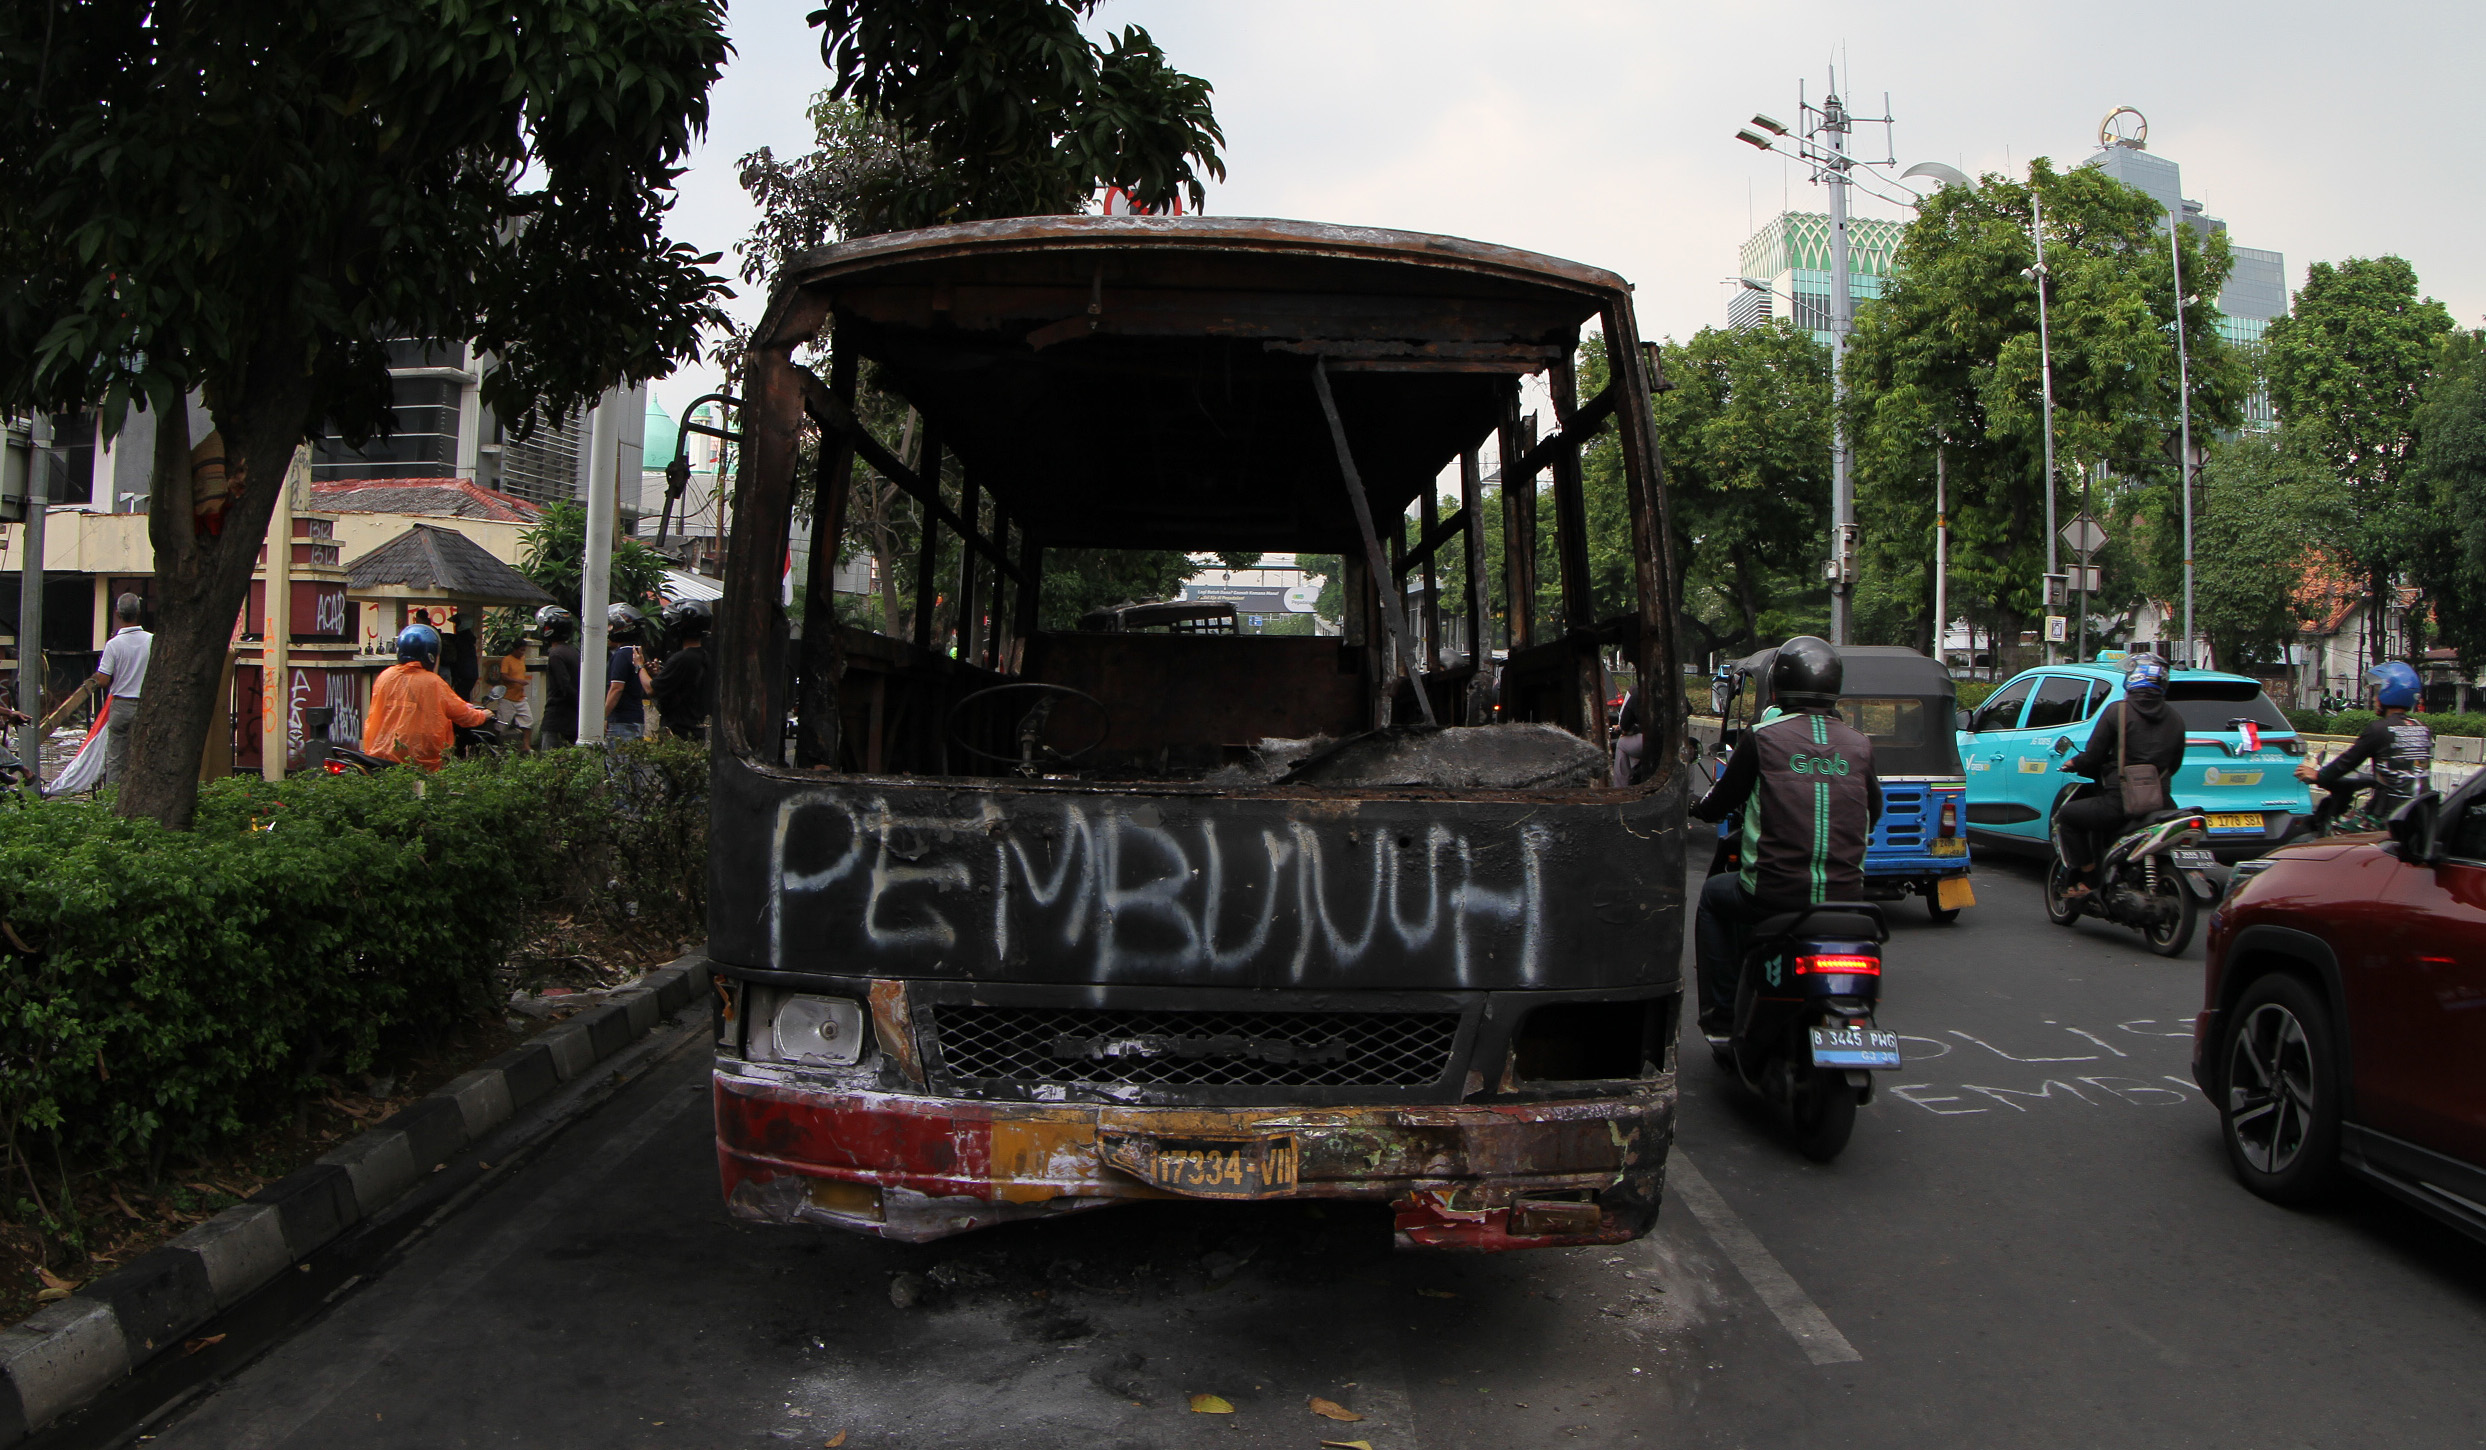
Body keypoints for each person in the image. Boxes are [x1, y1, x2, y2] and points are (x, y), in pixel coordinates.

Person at [1688, 637, 1882, 1036]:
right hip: (1847, 897)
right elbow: (1873, 810)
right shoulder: (1859, 745)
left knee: (1712, 898)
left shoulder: (1763, 738)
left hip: (1772, 895)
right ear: (1835, 688)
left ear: (1777, 688)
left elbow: (1718, 804)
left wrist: (1695, 807)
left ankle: (1722, 1016)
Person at [2055, 653, 2186, 898]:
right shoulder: (2176, 719)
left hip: (2119, 803)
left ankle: (2090, 877)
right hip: (2161, 803)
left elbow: (2093, 756)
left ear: (2131, 682)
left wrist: (2075, 762)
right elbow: (2175, 764)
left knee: (2068, 816)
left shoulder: (2117, 712)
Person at [2298, 660, 2432, 828]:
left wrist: (2319, 775)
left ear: (2389, 692)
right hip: (2420, 814)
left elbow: (2346, 762)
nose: (2375, 698)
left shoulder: (2379, 729)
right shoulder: (2423, 729)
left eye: (2378, 692)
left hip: (2388, 818)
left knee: (2338, 834)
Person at [45, 593, 151, 784]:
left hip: (121, 704)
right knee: (144, 756)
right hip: (146, 706)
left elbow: (102, 680)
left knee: (116, 758)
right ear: (139, 613)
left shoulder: (114, 645)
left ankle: (112, 803)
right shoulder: (152, 641)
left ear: (117, 614)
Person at [362, 623, 493, 771]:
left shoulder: (385, 676)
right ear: (431, 656)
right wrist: (483, 715)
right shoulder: (433, 682)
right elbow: (463, 715)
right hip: (419, 758)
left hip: (379, 754)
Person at [651, 600, 713, 742]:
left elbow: (651, 690)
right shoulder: (704, 656)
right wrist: (658, 675)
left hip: (677, 731)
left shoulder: (681, 658)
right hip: (696, 729)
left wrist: (639, 665)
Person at [604, 603, 654, 741]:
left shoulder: (621, 655)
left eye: (611, 625)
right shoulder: (635, 653)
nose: (609, 630)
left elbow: (616, 689)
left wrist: (603, 716)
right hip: (635, 717)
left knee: (618, 761)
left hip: (621, 721)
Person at [538, 606, 580, 748]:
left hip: (557, 720)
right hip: (573, 719)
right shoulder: (573, 652)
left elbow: (564, 686)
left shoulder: (555, 654)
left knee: (550, 765)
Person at [488, 633, 534, 750]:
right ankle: (494, 745)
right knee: (501, 725)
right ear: (515, 649)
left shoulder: (522, 659)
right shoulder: (507, 660)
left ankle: (526, 745)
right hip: (507, 697)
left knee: (528, 721)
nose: (522, 653)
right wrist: (518, 681)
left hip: (520, 697)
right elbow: (503, 676)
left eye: (524, 650)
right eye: (521, 650)